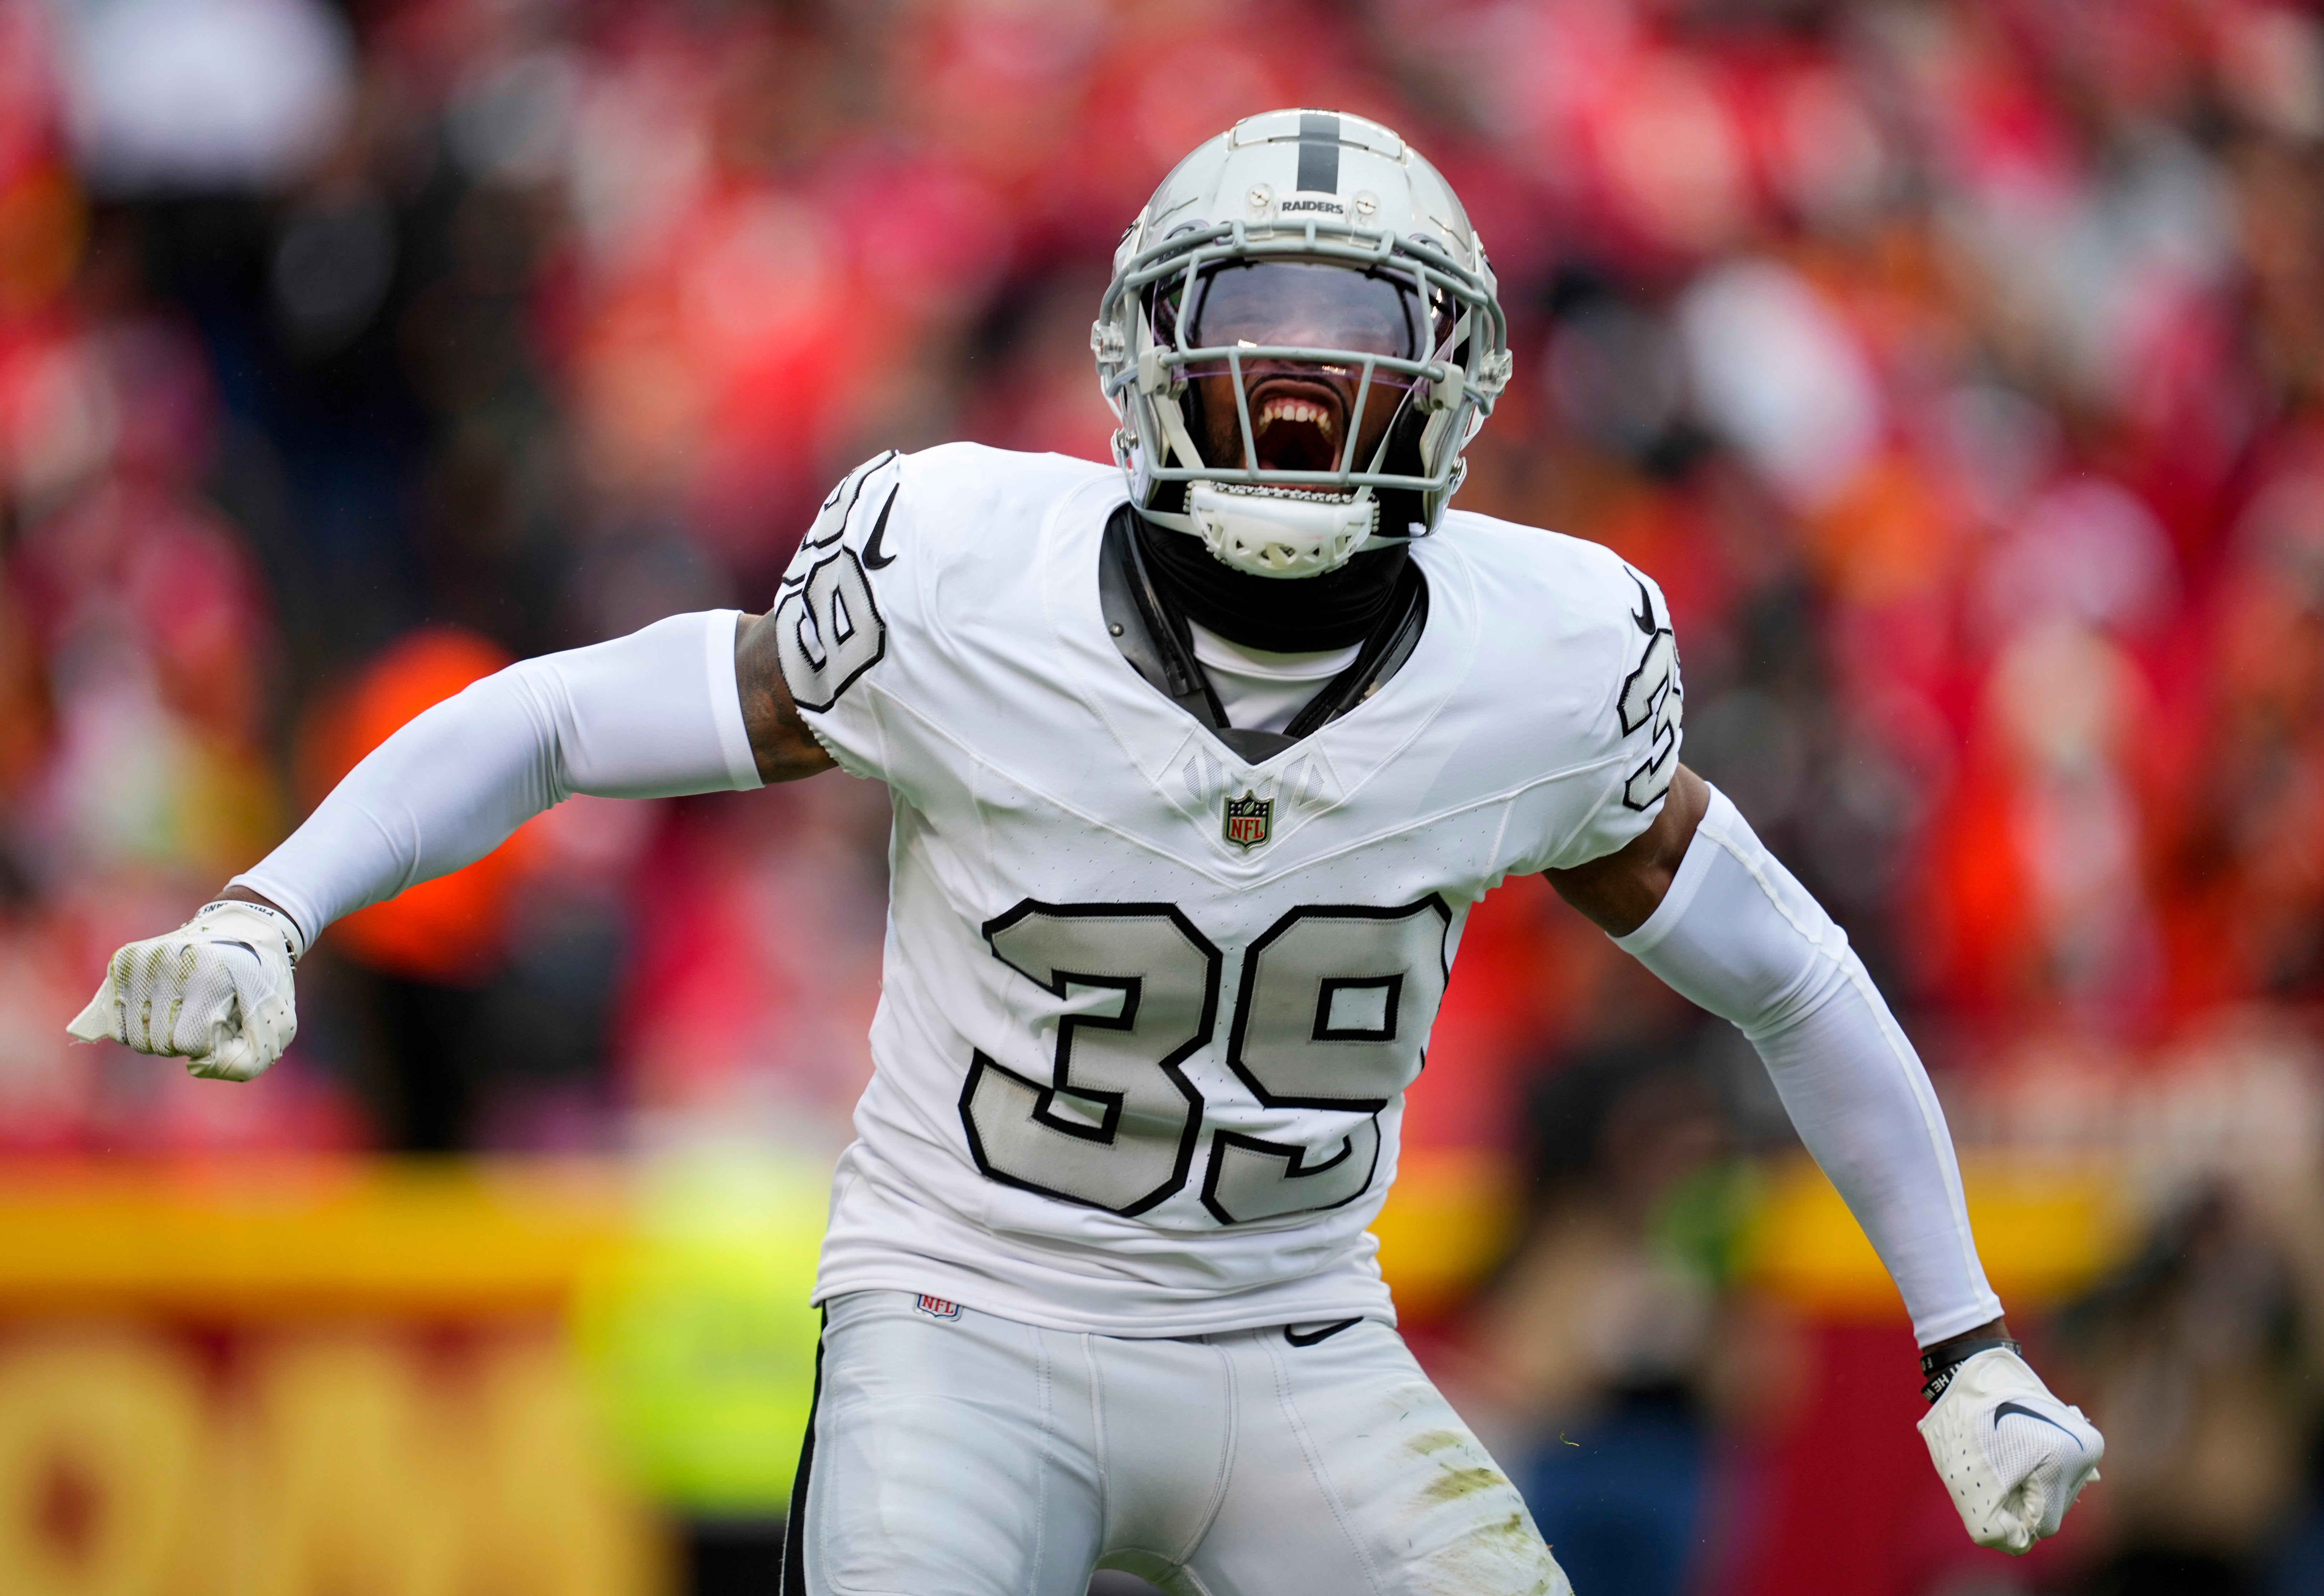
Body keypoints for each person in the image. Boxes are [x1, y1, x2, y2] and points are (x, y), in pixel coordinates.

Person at [68, 110, 2101, 1594]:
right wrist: (278, 899)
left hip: (1298, 1339)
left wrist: (1969, 1338)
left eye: (1359, 345)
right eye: (1258, 336)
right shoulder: (966, 575)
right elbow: (575, 712)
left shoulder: (1548, 661)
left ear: (1457, 384)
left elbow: (1790, 975)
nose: (1307, 392)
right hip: (965, 1326)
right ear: (1142, 358)